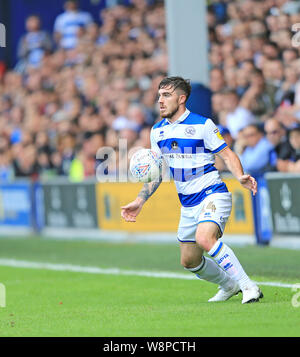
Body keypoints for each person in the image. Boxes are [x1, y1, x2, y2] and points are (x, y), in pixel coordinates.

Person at [121, 76, 263, 304]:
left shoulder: (202, 125)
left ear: (182, 98)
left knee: (205, 238)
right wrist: (140, 200)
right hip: (188, 204)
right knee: (189, 261)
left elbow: (226, 153)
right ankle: (229, 285)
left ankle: (249, 287)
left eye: (166, 95)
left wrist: (239, 176)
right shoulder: (157, 132)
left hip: (212, 192)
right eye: (159, 95)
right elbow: (158, 170)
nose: (160, 100)